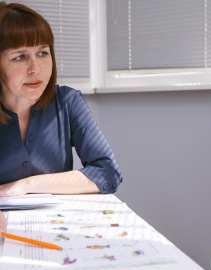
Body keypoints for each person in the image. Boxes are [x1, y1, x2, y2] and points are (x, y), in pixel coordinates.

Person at [0, 2, 122, 197]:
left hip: (56, 223)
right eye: (20, 57)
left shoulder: (68, 102)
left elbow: (107, 172)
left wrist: (26, 185)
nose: (36, 69)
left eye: (42, 53)